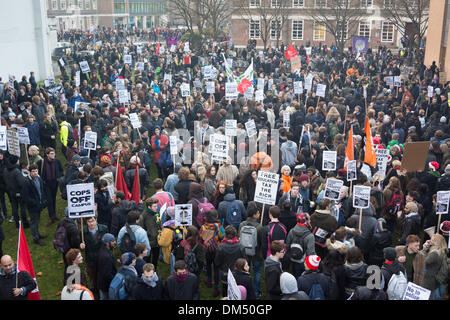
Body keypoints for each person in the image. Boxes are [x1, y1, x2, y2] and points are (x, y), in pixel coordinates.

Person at [238, 201, 263, 298]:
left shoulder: (242, 224)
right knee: (257, 271)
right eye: (258, 213)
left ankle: (244, 290)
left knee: (245, 272)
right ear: (254, 215)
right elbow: (261, 242)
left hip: (244, 252)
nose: (259, 214)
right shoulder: (259, 227)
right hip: (256, 253)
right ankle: (256, 292)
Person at [79, 216, 108, 299]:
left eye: (93, 221)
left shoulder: (104, 228)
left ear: (96, 220)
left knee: (102, 277)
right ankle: (95, 294)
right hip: (91, 260)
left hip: (102, 258)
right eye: (89, 221)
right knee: (93, 279)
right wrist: (81, 246)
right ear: (86, 223)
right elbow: (78, 245)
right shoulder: (83, 232)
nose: (91, 223)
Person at [214, 225, 246, 297]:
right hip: (237, 273)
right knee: (237, 292)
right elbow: (244, 260)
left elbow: (217, 262)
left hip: (225, 273)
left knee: (225, 291)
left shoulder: (220, 247)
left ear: (225, 234)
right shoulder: (241, 246)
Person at [21, 164, 47, 246]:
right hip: (33, 206)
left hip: (39, 204)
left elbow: (41, 190)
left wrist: (42, 200)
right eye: (33, 171)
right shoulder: (26, 182)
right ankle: (35, 238)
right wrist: (35, 203)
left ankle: (38, 234)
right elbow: (26, 197)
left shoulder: (38, 178)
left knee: (37, 220)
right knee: (34, 222)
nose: (35, 173)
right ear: (29, 172)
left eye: (36, 171)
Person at [200, 209, 224, 297]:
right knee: (217, 268)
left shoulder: (203, 227)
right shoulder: (218, 226)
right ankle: (216, 287)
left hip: (207, 250)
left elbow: (201, 238)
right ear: (215, 217)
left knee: (208, 265)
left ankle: (209, 281)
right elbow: (222, 237)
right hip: (217, 250)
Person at [36, 147, 63, 226]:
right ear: (47, 155)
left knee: (53, 199)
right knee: (49, 200)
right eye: (51, 153)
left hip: (55, 183)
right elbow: (37, 172)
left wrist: (59, 177)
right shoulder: (41, 162)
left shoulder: (57, 161)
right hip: (46, 184)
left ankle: (54, 215)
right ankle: (51, 216)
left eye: (54, 153)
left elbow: (61, 170)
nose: (53, 155)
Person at [285, 212, 316, 278]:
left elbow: (287, 245)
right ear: (306, 222)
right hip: (303, 262)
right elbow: (311, 253)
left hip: (292, 258)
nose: (310, 221)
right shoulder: (310, 236)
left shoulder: (291, 231)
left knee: (295, 274)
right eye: (309, 220)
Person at [421, 234, 448, 300]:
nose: (429, 240)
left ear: (436, 241)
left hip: (428, 280)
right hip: (432, 280)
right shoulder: (440, 252)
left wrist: (424, 250)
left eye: (432, 239)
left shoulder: (435, 253)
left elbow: (422, 261)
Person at [139, 198, 162, 269]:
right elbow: (141, 230)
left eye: (156, 206)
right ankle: (148, 270)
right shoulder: (143, 216)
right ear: (149, 207)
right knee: (147, 258)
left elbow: (159, 224)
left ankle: (154, 270)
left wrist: (160, 230)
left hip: (157, 241)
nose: (156, 208)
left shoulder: (156, 213)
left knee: (155, 257)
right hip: (148, 242)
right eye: (154, 206)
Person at [96, 233, 117, 300]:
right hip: (106, 285)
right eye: (113, 241)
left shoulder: (102, 250)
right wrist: (115, 280)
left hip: (102, 282)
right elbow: (107, 274)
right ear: (108, 243)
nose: (115, 242)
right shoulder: (106, 257)